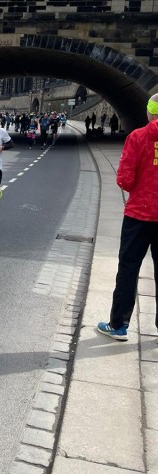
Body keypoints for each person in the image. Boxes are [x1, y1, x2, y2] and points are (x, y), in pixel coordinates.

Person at [97, 94, 158, 341]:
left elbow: (125, 179)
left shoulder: (138, 137)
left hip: (139, 214)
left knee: (129, 268)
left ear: (149, 112)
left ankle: (119, 324)